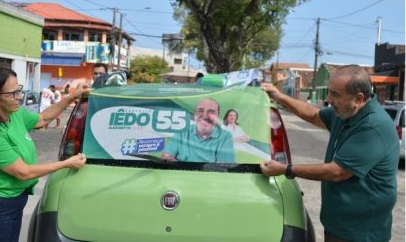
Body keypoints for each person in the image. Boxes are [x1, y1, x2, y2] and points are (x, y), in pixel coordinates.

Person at [260, 65, 399, 241]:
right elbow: (314, 115)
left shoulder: (373, 126)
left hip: (360, 233)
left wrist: (285, 169)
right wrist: (279, 97)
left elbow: (337, 172)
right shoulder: (347, 112)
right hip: (339, 225)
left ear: (358, 98)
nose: (327, 99)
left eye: (335, 94)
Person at [0, 67, 91, 242]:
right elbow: (23, 172)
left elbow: (43, 119)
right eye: (13, 93)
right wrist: (66, 163)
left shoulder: (14, 114)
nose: (20, 96)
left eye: (19, 90)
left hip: (13, 201)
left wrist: (71, 97)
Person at [161, 98, 235, 163]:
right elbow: (166, 157)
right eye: (200, 110)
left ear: (218, 116)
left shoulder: (225, 136)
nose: (205, 116)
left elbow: (223, 167)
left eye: (211, 112)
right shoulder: (182, 132)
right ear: (194, 114)